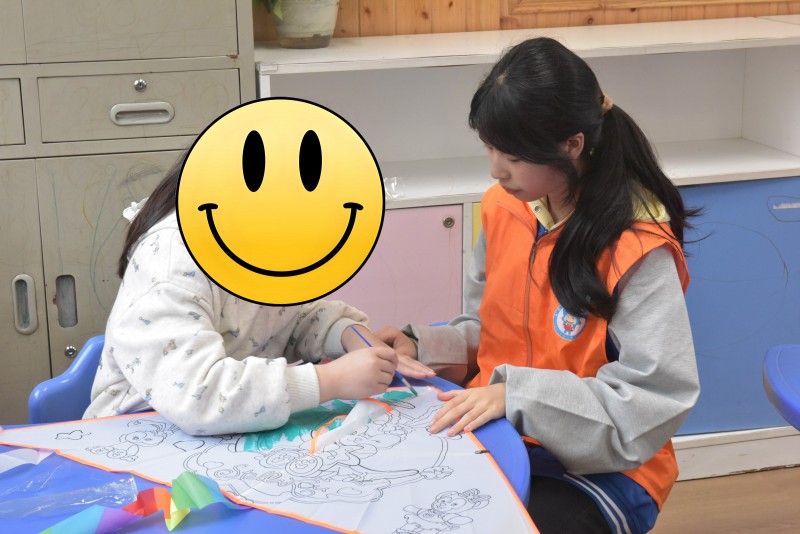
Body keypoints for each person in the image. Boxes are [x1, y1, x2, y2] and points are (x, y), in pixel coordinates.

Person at [376, 37, 700, 534]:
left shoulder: (636, 246)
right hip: (500, 433)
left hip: (602, 469)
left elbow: (651, 400)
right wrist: (423, 346)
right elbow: (487, 330)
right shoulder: (502, 206)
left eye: (513, 155)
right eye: (489, 146)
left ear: (572, 145)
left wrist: (518, 397)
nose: (495, 169)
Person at [84, 153, 434, 436]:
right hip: (138, 434)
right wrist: (330, 380)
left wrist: (347, 334)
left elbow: (290, 317)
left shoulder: (259, 242)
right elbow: (198, 396)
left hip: (227, 432)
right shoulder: (171, 261)